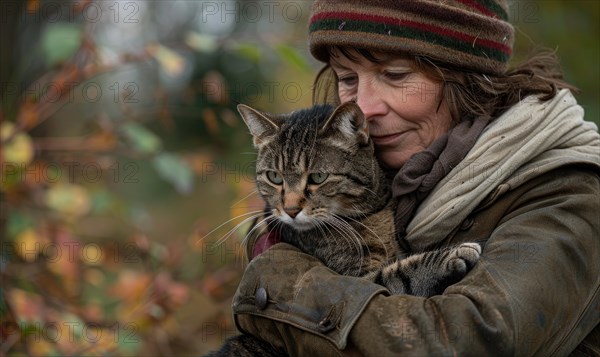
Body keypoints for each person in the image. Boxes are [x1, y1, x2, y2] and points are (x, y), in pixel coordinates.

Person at [230, 0, 600, 355]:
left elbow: (460, 343)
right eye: (347, 78)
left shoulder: (569, 194)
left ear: (465, 77)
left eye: (395, 75)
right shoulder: (375, 171)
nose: (366, 107)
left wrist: (278, 286)